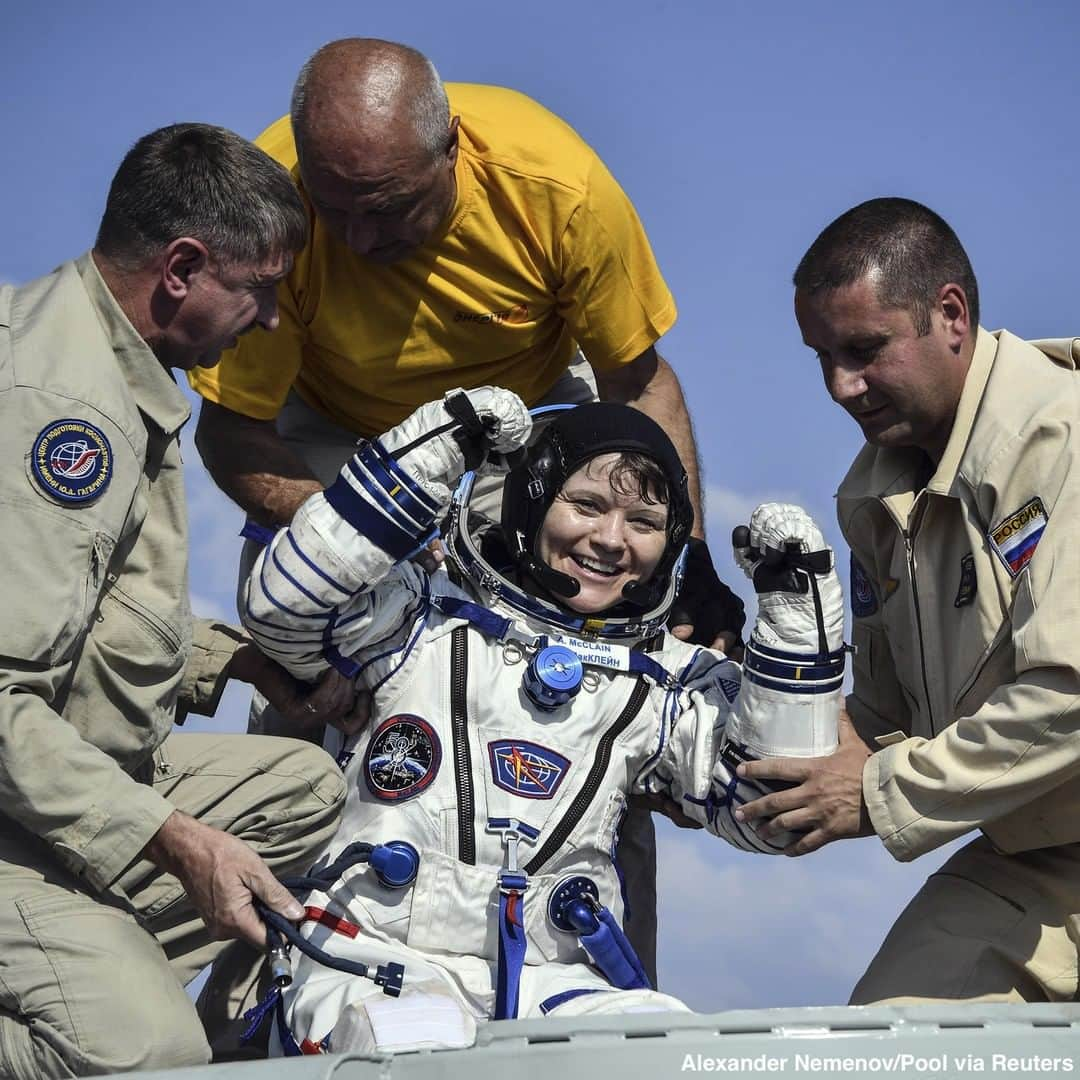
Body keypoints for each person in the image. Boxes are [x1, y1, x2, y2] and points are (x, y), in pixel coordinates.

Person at [187, 36, 744, 978]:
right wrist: (367, 545)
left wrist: (686, 573)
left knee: (605, 690)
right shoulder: (273, 194)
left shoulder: (556, 187)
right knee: (310, 694)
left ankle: (607, 987)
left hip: (526, 423)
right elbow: (231, 432)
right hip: (333, 426)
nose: (359, 241)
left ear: (454, 154)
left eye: (389, 210)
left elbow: (639, 384)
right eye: (339, 211)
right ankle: (255, 999)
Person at [237, 387, 846, 1053]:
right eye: (586, 505)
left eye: (642, 522)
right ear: (530, 500)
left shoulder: (661, 678)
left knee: (661, 1053)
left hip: (550, 975)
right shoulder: (418, 615)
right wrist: (440, 442)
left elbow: (773, 807)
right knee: (418, 1045)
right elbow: (284, 608)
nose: (611, 540)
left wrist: (797, 619)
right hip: (370, 957)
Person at [0, 123, 352, 1078]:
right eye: (262, 289)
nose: (274, 321)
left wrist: (238, 661)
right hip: (13, 806)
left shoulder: (107, 360)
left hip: (59, 784)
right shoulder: (61, 410)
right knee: (151, 1052)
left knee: (309, 791)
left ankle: (87, 952)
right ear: (183, 268)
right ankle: (93, 989)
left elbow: (85, 613)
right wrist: (173, 840)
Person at [737, 196, 1080, 1004]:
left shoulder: (1065, 440)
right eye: (819, 356)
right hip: (1039, 856)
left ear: (951, 315)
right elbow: (883, 720)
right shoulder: (874, 499)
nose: (839, 386)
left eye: (863, 349)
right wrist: (736, 731)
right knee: (885, 1046)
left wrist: (873, 794)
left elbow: (1071, 693)